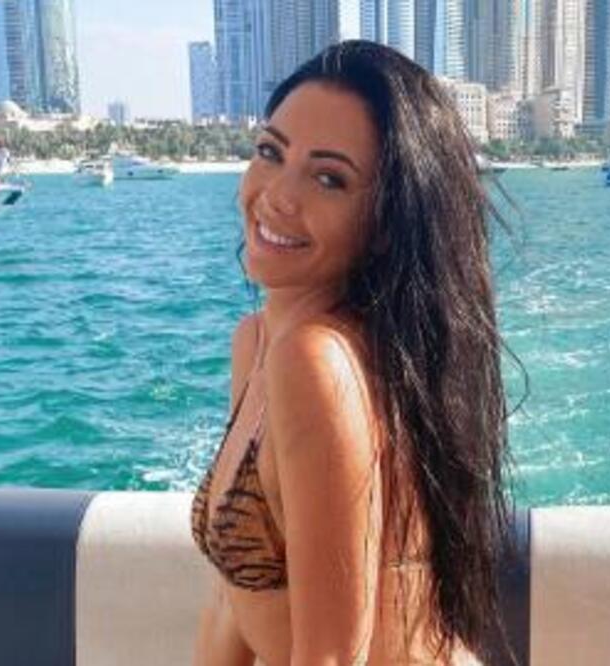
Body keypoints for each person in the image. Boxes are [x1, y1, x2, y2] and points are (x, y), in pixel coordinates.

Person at [190, 41, 516, 665]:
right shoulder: (257, 342)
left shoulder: (316, 361)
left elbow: (334, 657)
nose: (278, 196)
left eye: (329, 178)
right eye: (270, 152)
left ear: (385, 223)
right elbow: (234, 598)